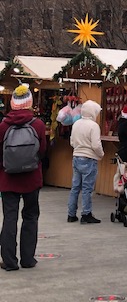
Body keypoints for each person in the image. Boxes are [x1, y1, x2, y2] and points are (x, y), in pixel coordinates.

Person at [0, 84, 47, 271]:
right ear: (29, 103)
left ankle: (9, 261)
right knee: (31, 216)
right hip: (31, 178)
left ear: (13, 103)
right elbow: (42, 151)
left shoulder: (3, 126)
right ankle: (28, 259)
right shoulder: (38, 125)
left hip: (8, 178)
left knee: (9, 218)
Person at [67, 100, 104, 224]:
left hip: (76, 156)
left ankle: (71, 214)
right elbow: (96, 145)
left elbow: (72, 141)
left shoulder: (76, 124)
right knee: (87, 188)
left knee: (75, 187)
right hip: (89, 158)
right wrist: (101, 154)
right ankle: (86, 214)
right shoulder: (94, 126)